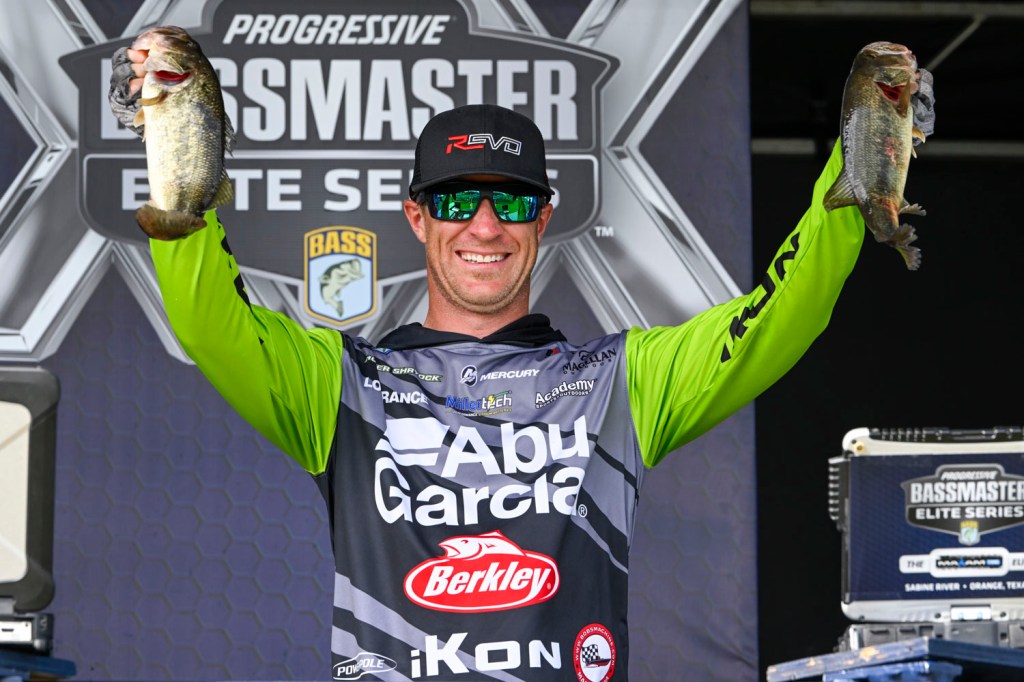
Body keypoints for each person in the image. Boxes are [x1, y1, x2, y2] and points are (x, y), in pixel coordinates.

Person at [110, 38, 867, 681]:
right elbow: (210, 324)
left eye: (509, 203)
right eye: (454, 202)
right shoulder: (340, 384)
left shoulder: (620, 383)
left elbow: (780, 316)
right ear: (416, 217)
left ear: (542, 219)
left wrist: (863, 151)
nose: (483, 226)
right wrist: (176, 142)